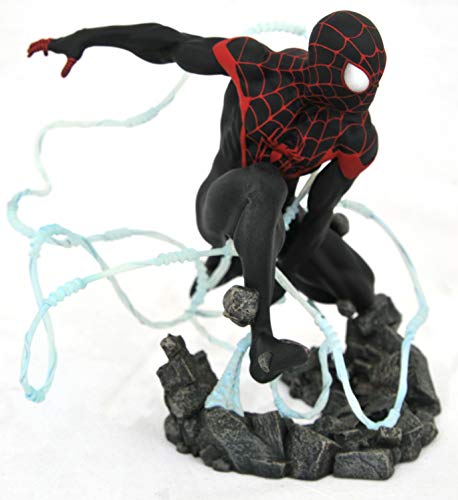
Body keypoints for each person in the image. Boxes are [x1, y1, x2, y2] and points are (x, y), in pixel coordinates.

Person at [28, 10, 386, 383]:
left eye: (373, 79)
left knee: (360, 284)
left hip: (277, 224)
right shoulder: (259, 68)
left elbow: (319, 212)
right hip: (220, 206)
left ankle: (268, 276)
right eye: (356, 79)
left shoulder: (356, 135)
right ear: (324, 64)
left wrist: (284, 273)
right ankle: (263, 341)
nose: (366, 93)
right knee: (266, 182)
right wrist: (87, 37)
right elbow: (171, 44)